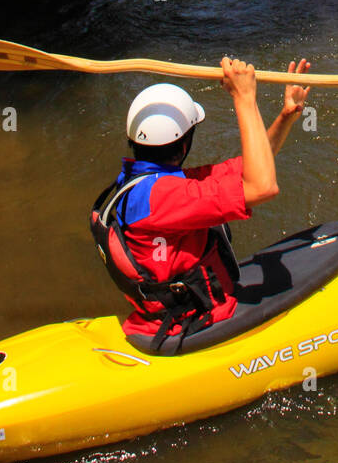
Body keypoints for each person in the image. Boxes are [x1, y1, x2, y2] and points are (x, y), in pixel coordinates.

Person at [91, 57, 311, 354]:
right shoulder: (165, 197)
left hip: (160, 318)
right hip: (195, 323)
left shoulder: (143, 184)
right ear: (184, 146)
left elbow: (252, 169)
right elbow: (263, 187)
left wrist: (286, 116)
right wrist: (243, 96)